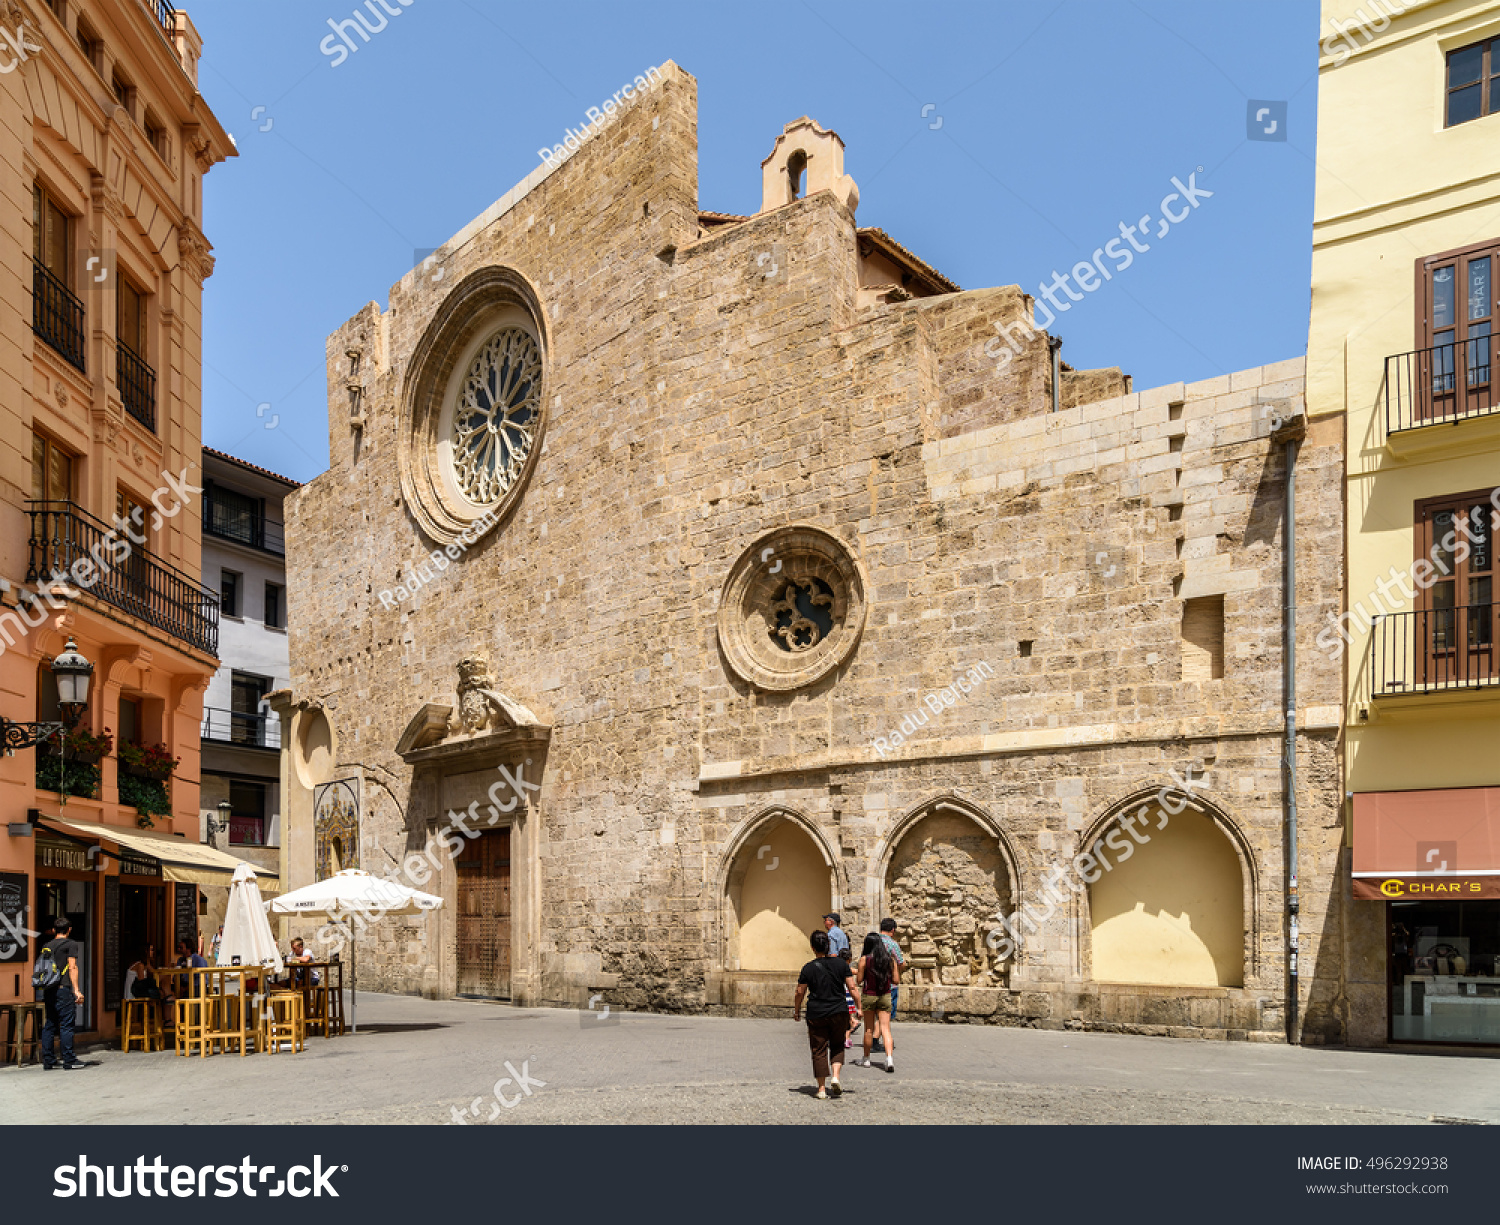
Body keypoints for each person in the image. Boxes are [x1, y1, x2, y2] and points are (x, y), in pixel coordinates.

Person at [793, 929, 859, 1100]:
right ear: (829, 945)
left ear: (813, 948)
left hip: (816, 1012)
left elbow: (799, 992)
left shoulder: (808, 968)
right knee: (837, 1045)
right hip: (839, 1010)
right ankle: (836, 1077)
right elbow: (852, 987)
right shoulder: (841, 965)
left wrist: (796, 1010)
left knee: (819, 1049)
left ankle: (821, 1088)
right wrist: (858, 1006)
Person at [38, 918, 86, 1070]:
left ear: (54, 930)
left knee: (50, 1024)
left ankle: (49, 1060)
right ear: (69, 929)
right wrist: (76, 990)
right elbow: (72, 967)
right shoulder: (70, 944)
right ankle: (69, 1059)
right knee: (66, 1024)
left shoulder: (47, 945)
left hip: (49, 989)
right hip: (62, 988)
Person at [852, 932, 897, 1073]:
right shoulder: (890, 960)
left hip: (869, 995)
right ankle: (889, 1058)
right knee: (886, 1029)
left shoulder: (864, 960)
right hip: (885, 995)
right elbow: (896, 980)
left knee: (868, 1029)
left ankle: (866, 1059)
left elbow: (859, 980)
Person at [822, 913, 860, 1044]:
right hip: (844, 968)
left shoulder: (831, 935)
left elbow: (832, 954)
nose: (824, 922)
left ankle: (848, 1024)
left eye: (825, 920)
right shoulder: (841, 933)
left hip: (836, 970)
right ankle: (851, 1021)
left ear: (831, 922)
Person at [873, 917, 907, 1052]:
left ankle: (873, 1040)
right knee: (886, 1014)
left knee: (876, 1014)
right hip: (888, 984)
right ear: (893, 930)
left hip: (872, 983)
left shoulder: (872, 942)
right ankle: (875, 1041)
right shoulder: (892, 944)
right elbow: (900, 962)